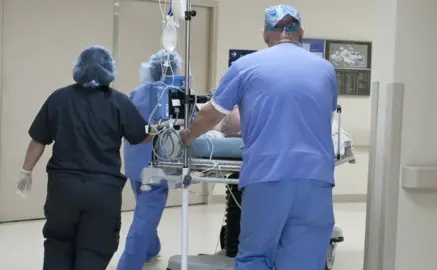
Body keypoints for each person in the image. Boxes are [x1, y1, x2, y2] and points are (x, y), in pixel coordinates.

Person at [179, 4, 338, 270]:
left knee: (255, 257)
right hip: (316, 180)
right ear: (302, 33)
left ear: (265, 35)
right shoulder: (325, 69)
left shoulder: (246, 66)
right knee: (304, 261)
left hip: (268, 176)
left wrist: (188, 135)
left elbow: (212, 114)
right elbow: (324, 113)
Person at [16, 46, 157, 270]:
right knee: (94, 248)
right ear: (109, 70)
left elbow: (38, 140)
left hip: (63, 190)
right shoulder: (119, 102)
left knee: (57, 244)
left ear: (78, 68)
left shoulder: (58, 98)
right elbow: (140, 136)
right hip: (102, 192)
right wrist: (158, 130)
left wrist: (26, 172)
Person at [117, 50, 182, 270]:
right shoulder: (176, 93)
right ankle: (128, 265)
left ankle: (151, 249)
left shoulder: (137, 92)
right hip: (159, 165)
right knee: (145, 216)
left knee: (145, 209)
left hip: (134, 162)